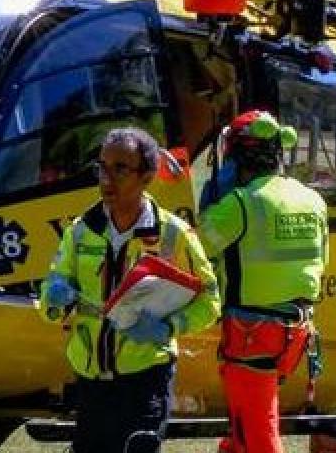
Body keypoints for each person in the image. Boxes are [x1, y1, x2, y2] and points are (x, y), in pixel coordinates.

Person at [38, 128, 220, 453]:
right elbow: (50, 296)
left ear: (147, 177)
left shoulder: (173, 235)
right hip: (91, 376)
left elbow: (210, 300)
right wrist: (54, 298)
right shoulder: (81, 231)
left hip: (146, 374)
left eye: (120, 169)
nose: (107, 178)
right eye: (102, 167)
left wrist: (170, 327)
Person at [196, 110, 329, 453]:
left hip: (251, 335)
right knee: (241, 428)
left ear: (234, 157)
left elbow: (198, 247)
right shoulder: (312, 200)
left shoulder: (241, 203)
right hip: (296, 334)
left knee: (258, 433)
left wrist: (213, 198)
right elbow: (321, 261)